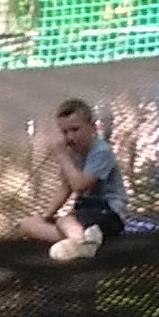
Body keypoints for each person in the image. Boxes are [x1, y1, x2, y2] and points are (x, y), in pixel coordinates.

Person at [18, 98, 126, 263]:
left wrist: (62, 156)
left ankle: (79, 241)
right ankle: (85, 241)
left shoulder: (101, 151)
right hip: (85, 214)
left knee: (66, 220)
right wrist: (46, 216)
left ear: (91, 126)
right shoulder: (73, 154)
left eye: (75, 129)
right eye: (65, 132)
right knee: (27, 224)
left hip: (109, 212)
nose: (70, 137)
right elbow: (66, 187)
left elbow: (80, 185)